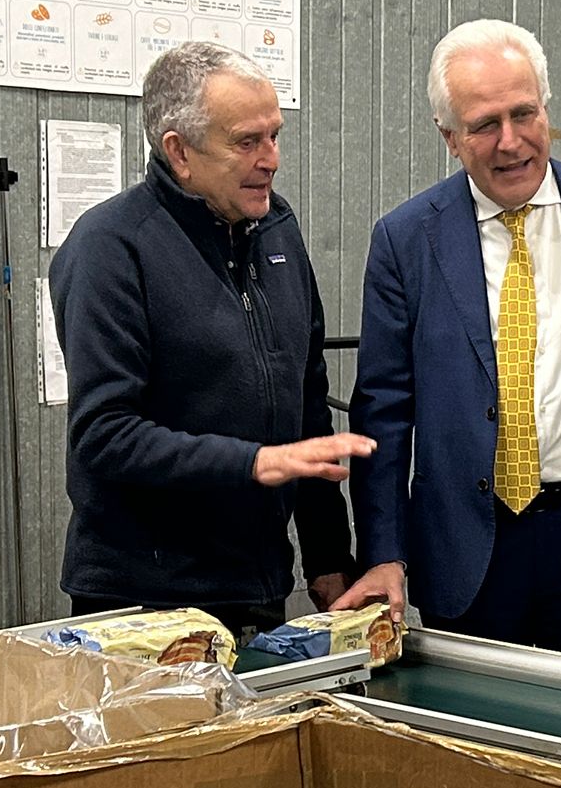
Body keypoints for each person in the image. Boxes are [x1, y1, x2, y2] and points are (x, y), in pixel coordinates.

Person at [335, 19, 561, 662]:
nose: (511, 142)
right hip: (470, 541)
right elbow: (384, 410)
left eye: (524, 114)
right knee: (474, 743)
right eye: (484, 125)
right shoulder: (406, 240)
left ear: (545, 108)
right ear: (448, 137)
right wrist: (384, 553)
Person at [50, 44, 370, 640]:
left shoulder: (278, 232)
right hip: (143, 604)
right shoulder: (110, 249)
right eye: (248, 142)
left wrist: (328, 561)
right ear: (179, 152)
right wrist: (256, 462)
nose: (271, 159)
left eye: (275, 136)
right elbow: (105, 435)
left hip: (258, 592)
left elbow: (307, 410)